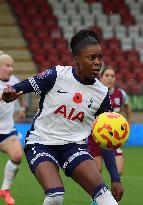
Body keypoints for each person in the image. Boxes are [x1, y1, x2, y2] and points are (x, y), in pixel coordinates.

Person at [1, 30, 124, 205]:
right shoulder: (57, 75)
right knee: (56, 195)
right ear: (76, 59)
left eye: (100, 57)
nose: (98, 63)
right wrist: (11, 92)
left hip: (74, 147)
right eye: (91, 58)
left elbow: (107, 140)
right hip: (41, 143)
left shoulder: (102, 94)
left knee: (107, 199)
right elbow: (23, 86)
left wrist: (115, 178)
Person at [88, 66, 131, 179]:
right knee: (96, 172)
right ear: (100, 77)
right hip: (95, 136)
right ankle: (98, 195)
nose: (110, 78)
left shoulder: (121, 94)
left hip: (113, 137)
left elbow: (127, 106)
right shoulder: (94, 93)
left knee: (118, 171)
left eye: (112, 76)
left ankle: (110, 193)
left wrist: (128, 122)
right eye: (107, 75)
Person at [0, 51, 26, 205]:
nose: (10, 69)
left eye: (12, 66)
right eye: (7, 66)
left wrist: (22, 108)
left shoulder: (14, 80)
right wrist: (4, 96)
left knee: (17, 156)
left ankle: (5, 189)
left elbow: (20, 92)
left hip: (7, 130)